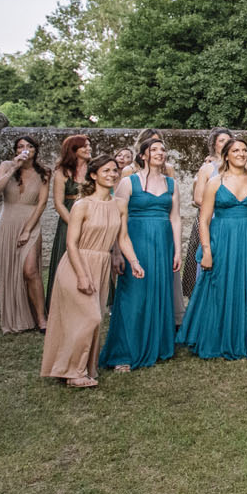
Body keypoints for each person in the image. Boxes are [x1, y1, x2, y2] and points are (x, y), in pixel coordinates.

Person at [179, 138, 247, 359]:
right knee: (220, 286)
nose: (241, 154)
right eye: (236, 150)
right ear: (226, 155)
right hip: (222, 237)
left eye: (245, 150)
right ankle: (217, 336)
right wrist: (206, 250)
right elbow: (204, 219)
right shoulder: (215, 182)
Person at [40, 154, 125, 389]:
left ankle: (73, 368)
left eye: (115, 170)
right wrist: (82, 274)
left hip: (102, 264)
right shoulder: (82, 204)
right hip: (77, 264)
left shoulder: (118, 204)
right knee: (89, 317)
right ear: (94, 175)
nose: (112, 174)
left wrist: (131, 261)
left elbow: (121, 238)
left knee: (87, 319)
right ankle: (74, 372)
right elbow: (71, 244)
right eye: (106, 170)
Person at [102, 136, 180, 371]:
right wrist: (117, 252)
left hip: (163, 241)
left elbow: (175, 218)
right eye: (154, 149)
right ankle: (124, 352)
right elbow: (118, 218)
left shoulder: (172, 183)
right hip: (135, 241)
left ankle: (156, 346)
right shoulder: (128, 182)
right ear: (143, 155)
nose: (160, 152)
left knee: (159, 290)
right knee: (133, 295)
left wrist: (177, 250)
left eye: (162, 149)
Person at [0, 135, 48, 333]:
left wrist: (27, 230)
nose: (25, 149)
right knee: (12, 270)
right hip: (8, 223)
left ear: (35, 150)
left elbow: (41, 204)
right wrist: (14, 167)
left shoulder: (44, 172)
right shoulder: (6, 166)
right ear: (15, 151)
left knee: (30, 270)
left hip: (31, 223)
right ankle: (19, 318)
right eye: (21, 146)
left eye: (29, 146)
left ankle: (42, 319)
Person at [181, 128, 233, 313]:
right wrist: (221, 206)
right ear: (214, 145)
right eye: (221, 140)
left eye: (229, 140)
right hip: (210, 218)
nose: (225, 143)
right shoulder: (207, 168)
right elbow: (197, 198)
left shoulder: (237, 168)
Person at [45, 134, 92, 300]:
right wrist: (74, 224)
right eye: (84, 146)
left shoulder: (94, 169)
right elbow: (59, 204)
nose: (88, 148)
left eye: (89, 145)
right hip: (69, 217)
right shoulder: (62, 172)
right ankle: (63, 299)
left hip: (92, 217)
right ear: (73, 150)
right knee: (66, 258)